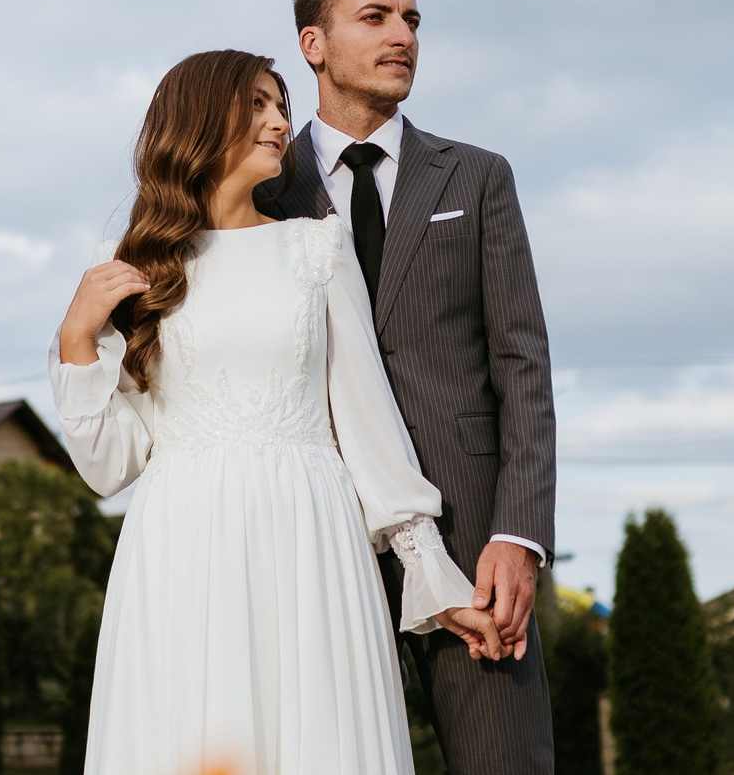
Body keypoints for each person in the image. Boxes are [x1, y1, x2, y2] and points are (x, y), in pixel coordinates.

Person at [52, 49, 504, 775]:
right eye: (257, 103)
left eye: (280, 104)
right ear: (198, 120)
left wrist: (432, 572)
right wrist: (76, 337)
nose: (278, 121)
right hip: (181, 543)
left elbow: (367, 420)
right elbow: (109, 464)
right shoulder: (132, 265)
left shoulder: (315, 246)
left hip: (309, 535)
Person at [262, 0, 557, 771]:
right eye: (377, 17)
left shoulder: (478, 175)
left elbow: (522, 364)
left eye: (413, 19)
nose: (403, 36)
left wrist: (519, 534)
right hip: (314, 525)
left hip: (469, 538)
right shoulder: (261, 188)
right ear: (313, 43)